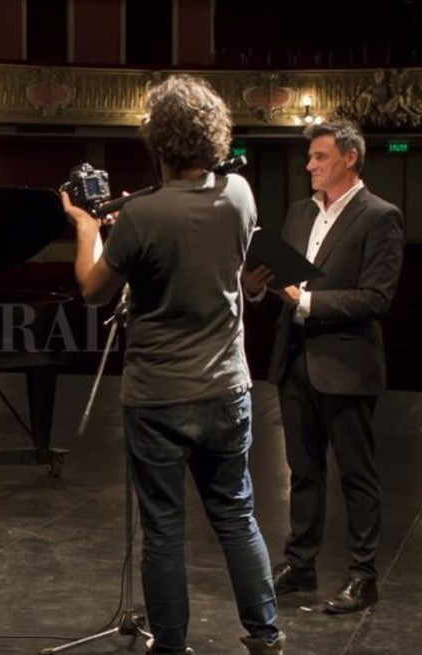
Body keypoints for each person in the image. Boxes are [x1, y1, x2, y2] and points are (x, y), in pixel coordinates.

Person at [63, 76, 283, 655]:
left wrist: (88, 230)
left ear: (156, 140)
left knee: (164, 529)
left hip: (159, 394)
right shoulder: (240, 194)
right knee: (238, 515)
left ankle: (171, 646)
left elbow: (92, 289)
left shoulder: (140, 216)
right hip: (227, 387)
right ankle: (265, 636)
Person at [242, 120, 404, 614]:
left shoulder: (381, 216)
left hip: (346, 362)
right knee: (303, 471)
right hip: (295, 361)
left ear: (350, 158)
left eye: (320, 157)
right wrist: (254, 285)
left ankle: (363, 574)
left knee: (356, 474)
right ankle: (301, 564)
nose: (310, 166)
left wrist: (306, 301)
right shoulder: (297, 213)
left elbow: (377, 297)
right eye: (310, 158)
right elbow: (278, 286)